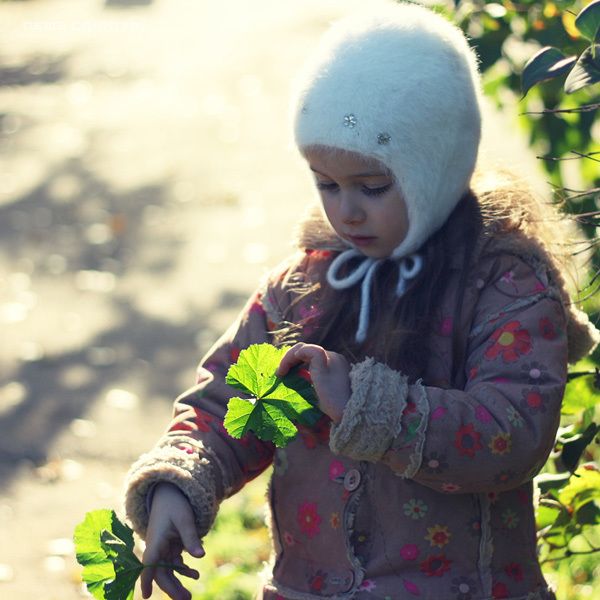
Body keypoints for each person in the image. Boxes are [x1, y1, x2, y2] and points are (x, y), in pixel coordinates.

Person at [124, 3, 599, 599]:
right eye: (327, 183)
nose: (345, 210)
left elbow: (513, 430)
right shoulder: (305, 284)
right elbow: (228, 404)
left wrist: (369, 407)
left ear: (436, 166)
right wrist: (178, 482)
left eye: (372, 187)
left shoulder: (502, 285)